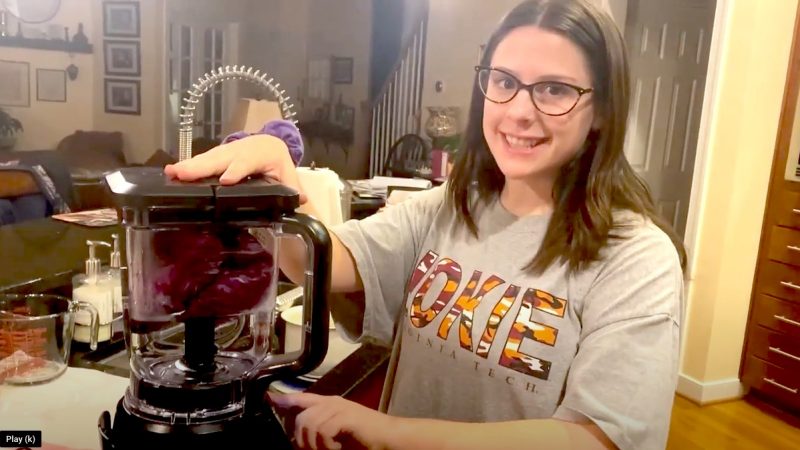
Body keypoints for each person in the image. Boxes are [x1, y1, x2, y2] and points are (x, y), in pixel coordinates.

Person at [165, 0, 686, 448]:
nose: (518, 111)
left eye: (553, 90)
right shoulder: (448, 206)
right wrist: (274, 181)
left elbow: (590, 440)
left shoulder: (636, 258)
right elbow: (320, 264)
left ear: (601, 111)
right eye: (503, 82)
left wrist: (384, 430)